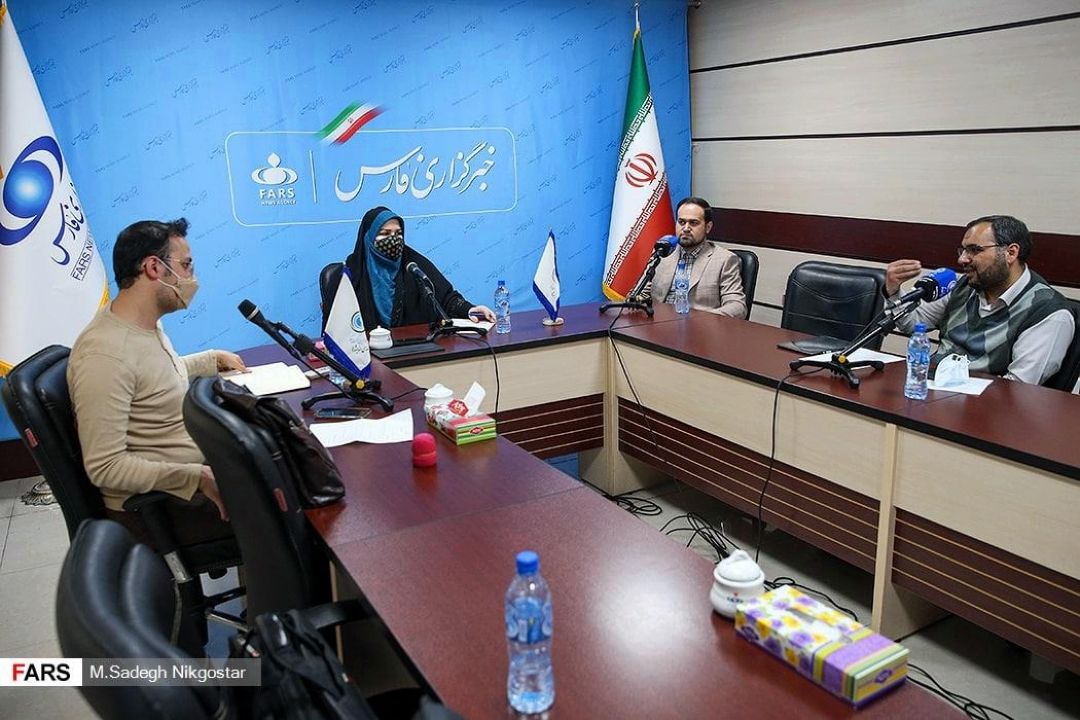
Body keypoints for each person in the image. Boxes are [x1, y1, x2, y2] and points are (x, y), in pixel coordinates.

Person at [67, 217, 245, 550]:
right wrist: (195, 477)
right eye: (186, 266)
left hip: (186, 483)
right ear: (153, 268)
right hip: (159, 510)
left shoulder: (140, 326)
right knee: (292, 509)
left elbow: (153, 381)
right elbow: (105, 467)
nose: (191, 278)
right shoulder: (105, 354)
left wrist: (210, 360)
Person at [884, 214, 1074, 384]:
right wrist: (893, 290)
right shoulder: (963, 286)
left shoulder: (1048, 312)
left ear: (1011, 253)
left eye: (974, 250)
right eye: (963, 250)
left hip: (983, 406)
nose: (962, 259)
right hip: (931, 387)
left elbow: (1018, 388)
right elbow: (913, 324)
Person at [321, 206, 494, 331]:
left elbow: (445, 299)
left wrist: (470, 309)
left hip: (415, 351)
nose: (394, 239)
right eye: (385, 233)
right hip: (365, 357)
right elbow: (335, 329)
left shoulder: (414, 265)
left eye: (398, 233)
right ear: (368, 237)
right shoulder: (348, 275)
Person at [644, 197, 747, 318]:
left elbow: (737, 307)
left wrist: (699, 321)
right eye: (681, 222)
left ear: (708, 227)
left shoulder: (724, 260)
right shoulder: (663, 253)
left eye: (693, 223)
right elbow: (641, 293)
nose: (686, 228)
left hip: (699, 327)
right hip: (658, 323)